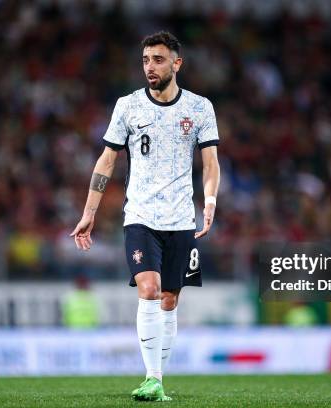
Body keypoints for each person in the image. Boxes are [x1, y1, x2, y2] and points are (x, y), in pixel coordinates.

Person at [70, 31, 220, 401]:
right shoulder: (128, 106)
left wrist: (211, 201)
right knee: (149, 289)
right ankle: (153, 379)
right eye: (145, 60)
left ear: (176, 63)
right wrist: (89, 212)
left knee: (170, 297)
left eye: (157, 60)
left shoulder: (200, 108)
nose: (149, 67)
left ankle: (158, 379)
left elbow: (210, 162)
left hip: (182, 219)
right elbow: (107, 160)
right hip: (139, 216)